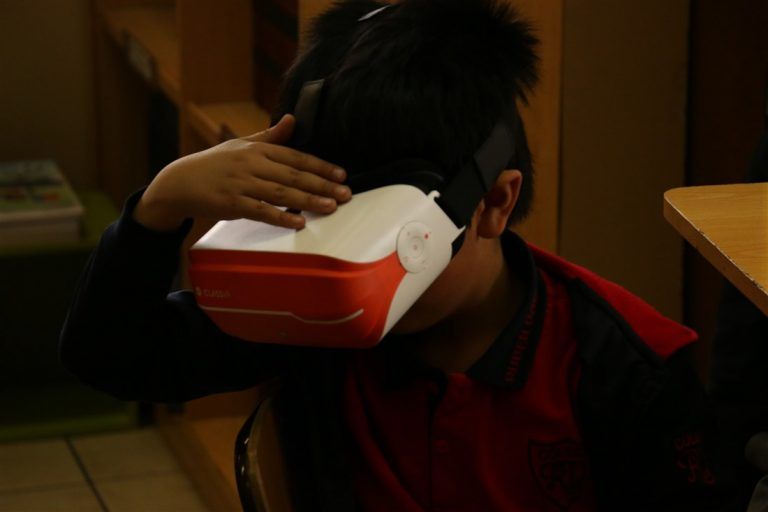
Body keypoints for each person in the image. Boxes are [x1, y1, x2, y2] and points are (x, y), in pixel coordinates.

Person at [60, 0, 744, 510]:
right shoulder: (317, 317)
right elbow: (114, 358)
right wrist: (159, 207)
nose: (348, 262)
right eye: (323, 221)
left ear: (494, 203)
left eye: (382, 231)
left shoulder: (624, 370)